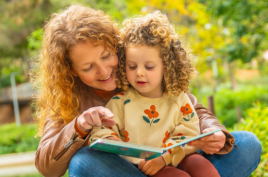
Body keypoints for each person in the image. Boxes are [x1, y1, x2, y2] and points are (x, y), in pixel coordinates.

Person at [32, 4, 261, 177]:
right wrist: (80, 126)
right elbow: (46, 164)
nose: (104, 70)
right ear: (71, 70)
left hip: (173, 158)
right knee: (83, 162)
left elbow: (191, 109)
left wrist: (214, 132)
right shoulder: (67, 97)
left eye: (106, 56)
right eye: (88, 67)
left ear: (114, 45)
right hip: (125, 169)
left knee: (247, 145)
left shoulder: (138, 63)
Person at [89, 11, 220, 177]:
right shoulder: (120, 102)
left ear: (167, 65)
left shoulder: (178, 98)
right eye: (132, 66)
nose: (140, 73)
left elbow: (189, 134)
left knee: (202, 165)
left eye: (149, 67)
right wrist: (114, 141)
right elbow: (100, 134)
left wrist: (165, 157)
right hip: (144, 167)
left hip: (177, 157)